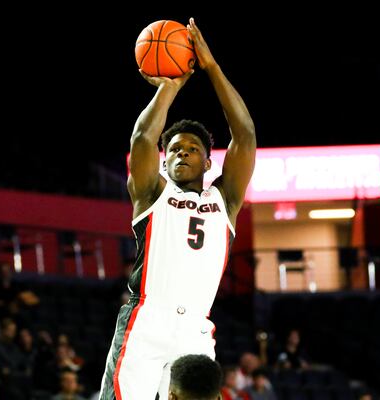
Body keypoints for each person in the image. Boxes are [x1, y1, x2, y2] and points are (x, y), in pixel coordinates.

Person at [99, 17, 256, 399]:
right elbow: (142, 137)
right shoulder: (152, 192)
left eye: (192, 149)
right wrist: (169, 88)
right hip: (146, 322)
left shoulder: (225, 199)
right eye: (173, 150)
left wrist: (212, 68)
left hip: (195, 331)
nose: (181, 153)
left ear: (207, 162)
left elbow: (245, 134)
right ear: (163, 161)